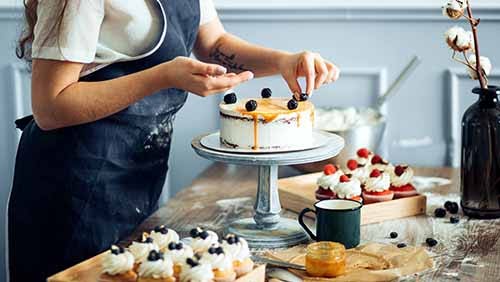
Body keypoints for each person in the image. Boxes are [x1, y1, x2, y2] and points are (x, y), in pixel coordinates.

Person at [8, 0, 340, 281]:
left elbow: (213, 44)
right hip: (71, 185)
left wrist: (283, 61)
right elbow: (50, 106)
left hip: (137, 176)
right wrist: (163, 75)